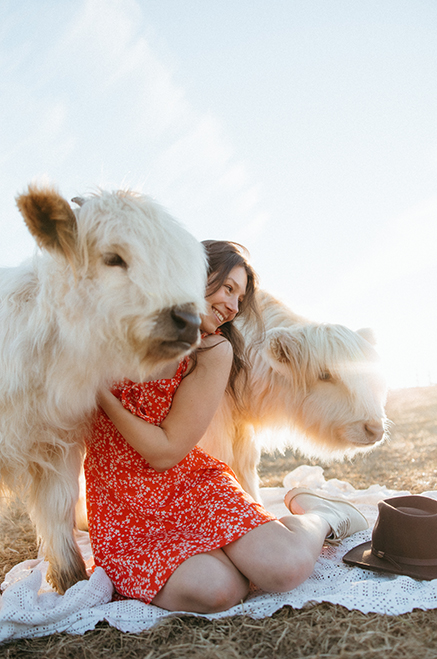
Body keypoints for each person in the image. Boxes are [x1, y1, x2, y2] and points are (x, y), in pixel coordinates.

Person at [84, 240, 367, 613]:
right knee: (219, 592)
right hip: (123, 505)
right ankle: (231, 554)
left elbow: (166, 452)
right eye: (228, 289)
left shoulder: (213, 351)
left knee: (282, 569)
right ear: (191, 275)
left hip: (187, 486)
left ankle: (324, 516)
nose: (233, 307)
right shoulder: (111, 327)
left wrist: (103, 395)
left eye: (240, 298)